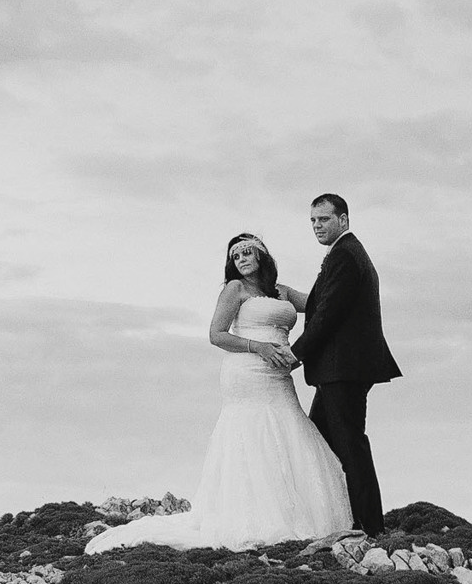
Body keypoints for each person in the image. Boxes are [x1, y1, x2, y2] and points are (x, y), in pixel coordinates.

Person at [84, 233, 353, 552]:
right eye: (235, 256)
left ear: (262, 255)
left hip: (280, 374)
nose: (241, 260)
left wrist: (303, 348)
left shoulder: (280, 291)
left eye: (246, 253)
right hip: (247, 371)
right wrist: (260, 347)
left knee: (288, 430)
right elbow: (216, 335)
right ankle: (255, 518)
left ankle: (302, 514)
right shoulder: (234, 289)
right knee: (252, 433)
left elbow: (322, 305)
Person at [291, 192, 400, 535]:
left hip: (344, 369)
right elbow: (322, 302)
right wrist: (289, 295)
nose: (317, 226)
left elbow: (327, 316)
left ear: (344, 219)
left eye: (323, 219)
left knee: (350, 445)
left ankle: (369, 527)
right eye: (312, 221)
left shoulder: (345, 256)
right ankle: (342, 519)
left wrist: (294, 355)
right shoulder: (346, 254)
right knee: (322, 440)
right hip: (341, 369)